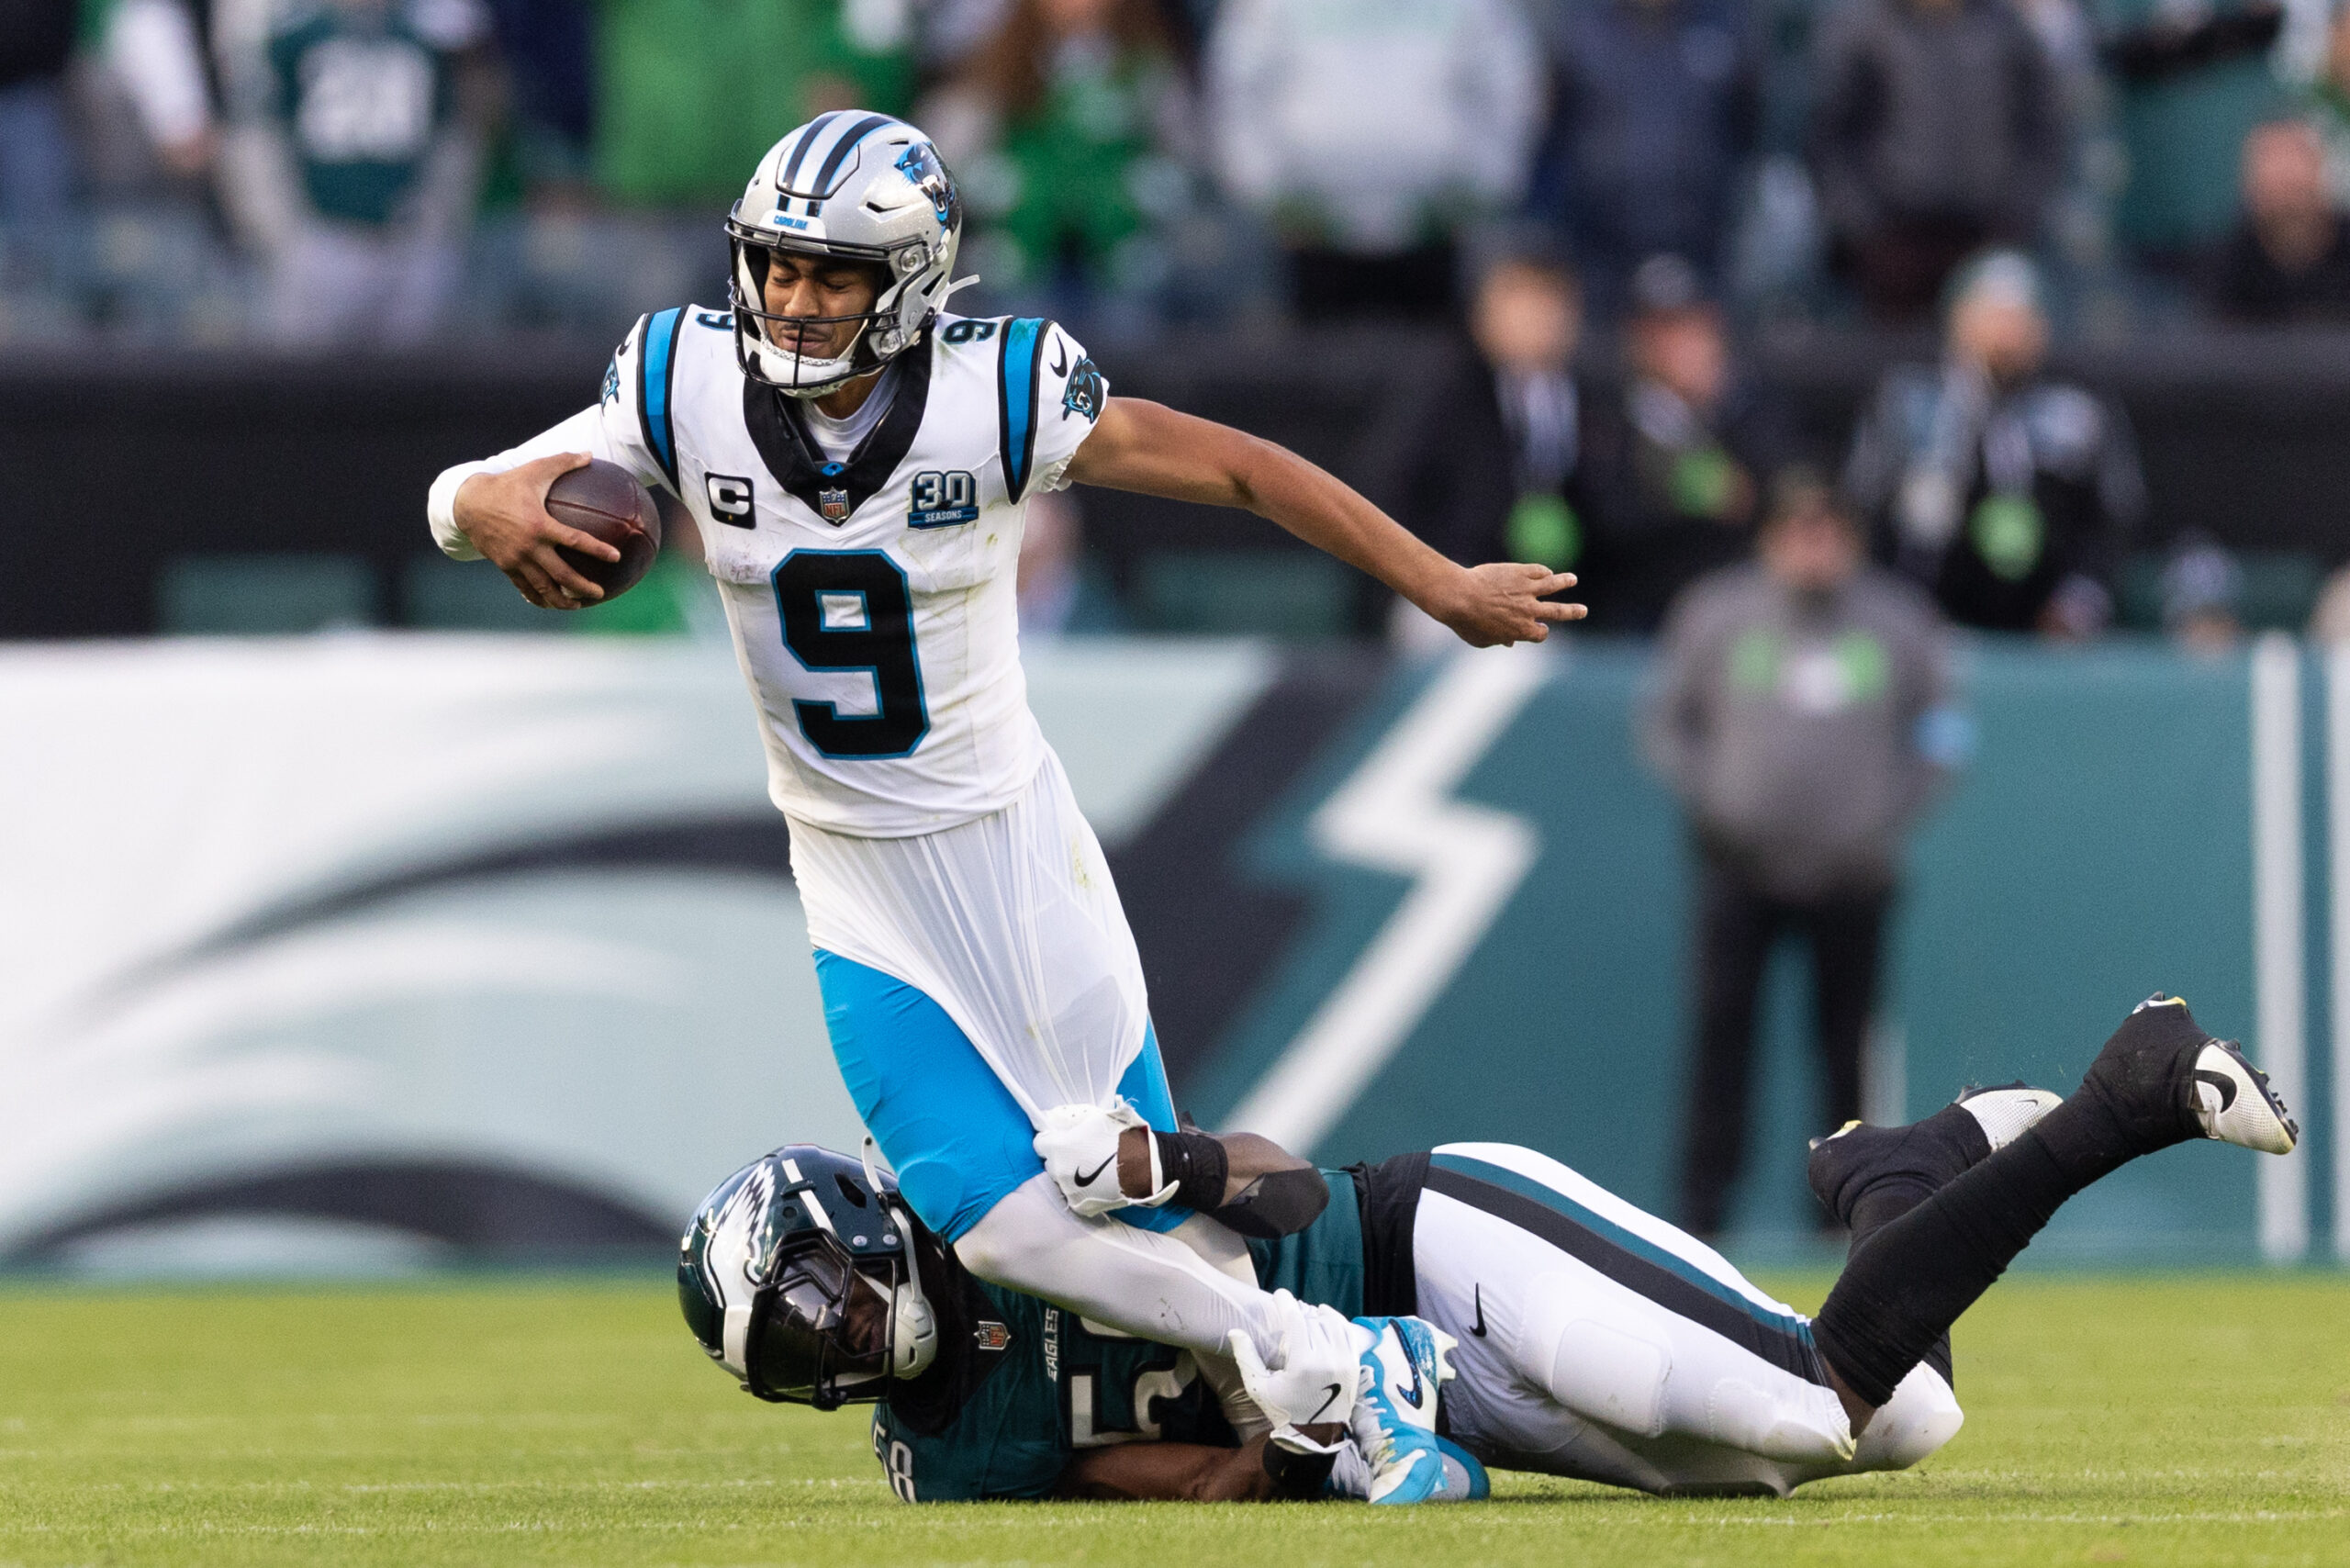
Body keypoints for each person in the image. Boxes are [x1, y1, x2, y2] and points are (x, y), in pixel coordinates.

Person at [424, 112, 1581, 1469]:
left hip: (1008, 855)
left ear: (908, 279)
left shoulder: (1000, 389)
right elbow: (493, 488)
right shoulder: (679, 377)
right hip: (850, 873)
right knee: (987, 1221)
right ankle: (1336, 1380)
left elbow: (1238, 468)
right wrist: (474, 504)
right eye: (778, 269)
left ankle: (1339, 1379)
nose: (793, 303)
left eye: (831, 275)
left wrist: (1437, 582)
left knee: (1133, 1193)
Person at [677, 994, 2298, 1501]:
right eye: (798, 1357)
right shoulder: (941, 1454)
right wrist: (1322, 1429)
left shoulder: (1005, 1197)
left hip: (1432, 1241)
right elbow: (1186, 1484)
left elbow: (1286, 1191)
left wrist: (1170, 1160)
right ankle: (1902, 1166)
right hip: (1414, 1394)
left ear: (864, 1222)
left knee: (1818, 1396)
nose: (836, 1347)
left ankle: (2129, 1090)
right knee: (1890, 1425)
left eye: (816, 1304)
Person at [1642, 469, 1955, 1238]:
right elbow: (1665, 722)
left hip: (1852, 873)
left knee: (1846, 1052)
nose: (1814, 548)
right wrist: (1712, 800)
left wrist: (1887, 813)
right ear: (1770, 538)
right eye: (1798, 530)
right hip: (1738, 867)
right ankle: (1701, 1216)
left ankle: (1845, 1218)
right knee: (1723, 1041)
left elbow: (1946, 730)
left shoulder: (1898, 622)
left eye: (1830, 531)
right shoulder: (1718, 614)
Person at [1842, 251, 2142, 638]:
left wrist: (2080, 600)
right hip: (1928, 616)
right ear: (1957, 321)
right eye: (1993, 315)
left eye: (2021, 317)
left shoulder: (2078, 412)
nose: (2008, 332)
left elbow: (2116, 517)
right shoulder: (1907, 404)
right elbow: (1861, 504)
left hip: (2046, 625)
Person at [1204, 0, 1542, 319]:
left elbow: (1511, 92)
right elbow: (1235, 95)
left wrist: (1479, 192)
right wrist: (1270, 195)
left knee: (1434, 367)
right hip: (1306, 236)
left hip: (1440, 232)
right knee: (1318, 366)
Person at [1365, 246, 1593, 646]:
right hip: (1454, 591)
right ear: (1482, 312)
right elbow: (1389, 492)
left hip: (1568, 605)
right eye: (1519, 298)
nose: (1537, 316)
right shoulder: (1444, 393)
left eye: (1550, 300)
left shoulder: (1592, 402)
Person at [1807, 0, 2065, 323]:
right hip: (1893, 247)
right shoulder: (1865, 30)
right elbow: (1831, 141)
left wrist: (2016, 220)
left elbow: (2042, 132)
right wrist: (1865, 233)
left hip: (1985, 239)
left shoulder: (2006, 28)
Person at [1578, 252, 1785, 633]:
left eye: (1694, 328)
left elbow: (1778, 494)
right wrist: (1684, 495)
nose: (1684, 345)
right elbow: (1604, 523)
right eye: (1665, 332)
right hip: (1638, 617)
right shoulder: (1604, 421)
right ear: (1637, 341)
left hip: (1742, 616)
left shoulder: (1750, 412)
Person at [1522, 0, 1762, 320]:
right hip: (1598, 246)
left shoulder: (1726, 20)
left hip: (1700, 242)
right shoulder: (1579, 23)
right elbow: (1555, 136)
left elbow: (1746, 127)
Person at [2207, 118, 2350, 325]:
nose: (2287, 175)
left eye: (2296, 187)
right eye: (2271, 164)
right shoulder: (2222, 271)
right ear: (2250, 185)